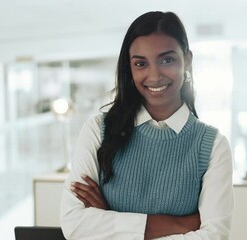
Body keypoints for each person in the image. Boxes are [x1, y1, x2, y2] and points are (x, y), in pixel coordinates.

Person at [60, 11, 234, 239]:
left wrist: (110, 220)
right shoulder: (98, 130)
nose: (154, 76)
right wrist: (178, 224)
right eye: (141, 63)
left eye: (167, 60)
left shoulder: (212, 146)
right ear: (129, 69)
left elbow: (214, 236)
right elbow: (74, 223)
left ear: (187, 60)